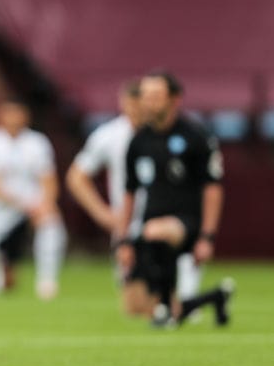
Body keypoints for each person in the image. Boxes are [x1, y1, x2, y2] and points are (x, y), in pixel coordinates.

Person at [66, 80, 205, 316]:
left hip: (167, 222)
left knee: (175, 298)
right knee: (135, 307)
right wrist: (104, 215)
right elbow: (76, 177)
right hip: (129, 225)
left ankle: (184, 309)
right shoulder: (110, 135)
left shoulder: (175, 134)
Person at [115, 71, 233, 328]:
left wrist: (207, 236)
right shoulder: (138, 141)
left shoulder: (195, 136)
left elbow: (212, 188)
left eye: (156, 96)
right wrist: (123, 239)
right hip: (148, 227)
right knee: (135, 306)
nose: (149, 102)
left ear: (175, 99)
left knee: (157, 233)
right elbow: (129, 192)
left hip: (186, 223)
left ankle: (166, 307)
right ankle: (215, 297)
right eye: (146, 96)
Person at [0, 98, 66, 299]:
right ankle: (1, 274)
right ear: (0, 116)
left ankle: (47, 281)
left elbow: (48, 177)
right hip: (3, 205)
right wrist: (19, 203)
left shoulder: (38, 142)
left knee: (52, 225)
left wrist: (46, 203)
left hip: (34, 201)